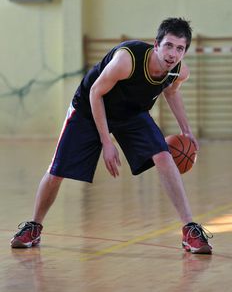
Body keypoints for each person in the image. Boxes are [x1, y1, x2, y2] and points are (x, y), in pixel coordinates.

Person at [11, 17, 213, 254]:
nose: (172, 53)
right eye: (168, 45)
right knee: (57, 171)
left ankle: (190, 229)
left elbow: (171, 92)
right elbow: (96, 93)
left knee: (165, 156)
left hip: (132, 113)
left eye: (180, 48)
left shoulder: (178, 71)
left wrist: (186, 130)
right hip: (88, 109)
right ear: (156, 44)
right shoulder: (127, 60)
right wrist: (106, 142)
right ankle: (33, 226)